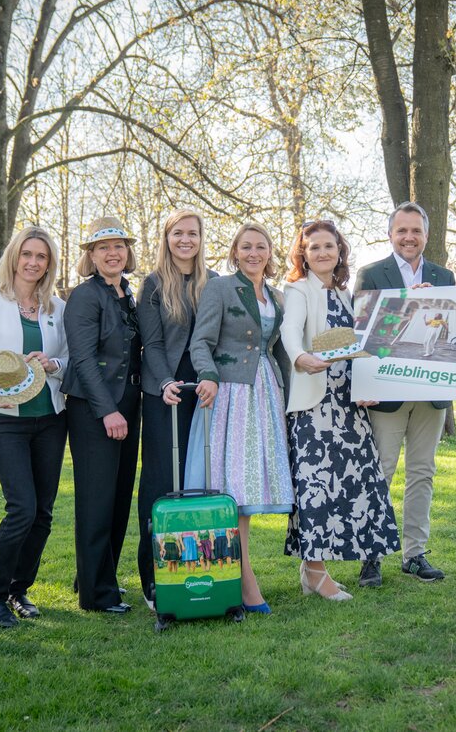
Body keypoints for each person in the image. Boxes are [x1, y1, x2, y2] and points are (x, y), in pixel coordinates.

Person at [281, 220, 400, 601]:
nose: (322, 253)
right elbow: (290, 330)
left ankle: (313, 570)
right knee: (316, 488)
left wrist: (365, 387)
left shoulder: (346, 295)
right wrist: (301, 357)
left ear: (339, 251)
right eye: (313, 247)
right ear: (303, 253)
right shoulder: (298, 290)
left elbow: (357, 348)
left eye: (329, 246)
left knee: (355, 483)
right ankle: (316, 572)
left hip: (349, 406)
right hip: (316, 406)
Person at [0, 227, 68, 628]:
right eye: (27, 254)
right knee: (21, 507)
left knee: (42, 512)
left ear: (48, 263)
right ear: (14, 257)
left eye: (41, 256)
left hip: (50, 418)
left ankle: (19, 590)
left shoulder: (57, 307)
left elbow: (70, 360)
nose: (33, 262)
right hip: (4, 418)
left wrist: (54, 364)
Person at [188, 222, 294, 613]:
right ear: (235, 252)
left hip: (265, 391)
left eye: (260, 247)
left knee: (248, 490)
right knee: (233, 489)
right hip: (230, 393)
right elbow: (201, 341)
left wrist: (291, 394)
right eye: (246, 247)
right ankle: (245, 584)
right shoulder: (218, 288)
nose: (253, 253)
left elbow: (279, 349)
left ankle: (237, 576)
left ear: (269, 253)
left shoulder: (276, 296)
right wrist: (209, 376)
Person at [353, 201, 456, 586]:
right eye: (402, 231)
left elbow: (450, 329)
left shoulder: (444, 275)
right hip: (386, 391)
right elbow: (363, 333)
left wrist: (454, 299)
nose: (409, 237)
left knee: (422, 473)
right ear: (391, 234)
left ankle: (415, 553)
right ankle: (372, 554)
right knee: (381, 470)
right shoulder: (371, 273)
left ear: (426, 235)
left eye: (416, 231)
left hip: (430, 392)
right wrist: (408, 300)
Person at [136, 208, 216, 610]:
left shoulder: (214, 283)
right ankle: (151, 577)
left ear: (202, 239)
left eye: (193, 234)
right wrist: (166, 382)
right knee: (159, 481)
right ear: (166, 238)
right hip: (162, 393)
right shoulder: (152, 285)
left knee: (198, 477)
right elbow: (149, 344)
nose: (185, 240)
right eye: (177, 233)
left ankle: (197, 566)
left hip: (204, 393)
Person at [62, 217, 141, 614]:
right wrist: (108, 411)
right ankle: (97, 596)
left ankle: (96, 576)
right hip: (94, 409)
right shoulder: (84, 296)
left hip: (128, 405)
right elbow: (83, 359)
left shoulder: (127, 292)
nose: (113, 253)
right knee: (96, 498)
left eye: (119, 246)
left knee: (118, 497)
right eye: (103, 247)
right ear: (90, 256)